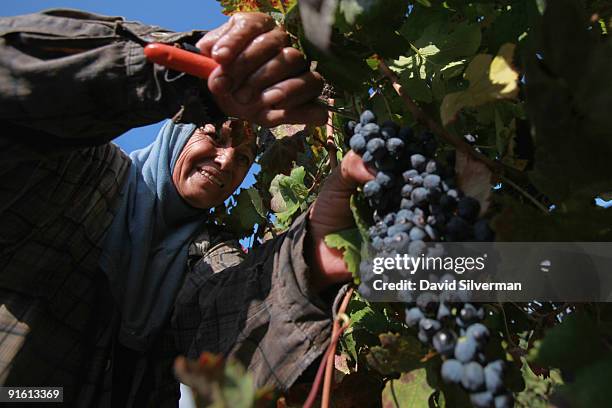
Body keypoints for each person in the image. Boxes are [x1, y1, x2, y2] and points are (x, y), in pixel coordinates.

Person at [0, 8, 372, 407]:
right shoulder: (82, 172)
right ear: (177, 131)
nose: (228, 162)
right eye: (213, 136)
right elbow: (13, 81)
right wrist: (178, 75)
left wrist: (310, 252)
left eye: (244, 159)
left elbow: (230, 322)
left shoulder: (206, 255)